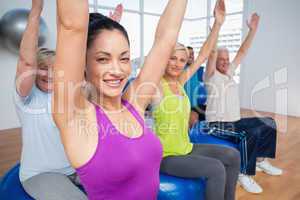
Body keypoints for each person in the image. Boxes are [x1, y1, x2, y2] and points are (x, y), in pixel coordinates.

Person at [52, 0, 187, 199]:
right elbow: (72, 27)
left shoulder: (134, 104)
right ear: (83, 64)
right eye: (102, 59)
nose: (117, 70)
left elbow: (166, 39)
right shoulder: (77, 117)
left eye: (124, 58)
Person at [151, 1, 240, 200]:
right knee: (216, 169)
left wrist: (217, 24)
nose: (177, 64)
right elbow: (159, 43)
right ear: (164, 58)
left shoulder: (180, 82)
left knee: (233, 156)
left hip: (186, 147)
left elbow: (202, 55)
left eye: (181, 60)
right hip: (166, 156)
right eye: (172, 58)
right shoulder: (155, 85)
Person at [13, 0, 86, 199]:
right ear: (36, 71)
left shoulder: (66, 93)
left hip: (76, 168)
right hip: (41, 175)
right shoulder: (27, 97)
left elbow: (79, 60)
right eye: (44, 67)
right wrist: (36, 10)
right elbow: (26, 61)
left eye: (56, 69)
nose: (50, 74)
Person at [205, 13, 282, 194]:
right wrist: (217, 27)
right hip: (216, 125)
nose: (224, 62)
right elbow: (211, 53)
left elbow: (242, 52)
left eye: (226, 59)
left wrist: (252, 30)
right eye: (220, 60)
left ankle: (261, 160)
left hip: (235, 120)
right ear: (215, 62)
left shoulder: (229, 72)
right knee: (249, 134)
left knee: (269, 122)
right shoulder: (210, 76)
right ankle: (243, 173)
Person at [184, 46, 207, 127]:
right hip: (186, 106)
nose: (191, 55)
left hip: (196, 105)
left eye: (192, 54)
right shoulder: (181, 70)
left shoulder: (198, 70)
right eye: (188, 54)